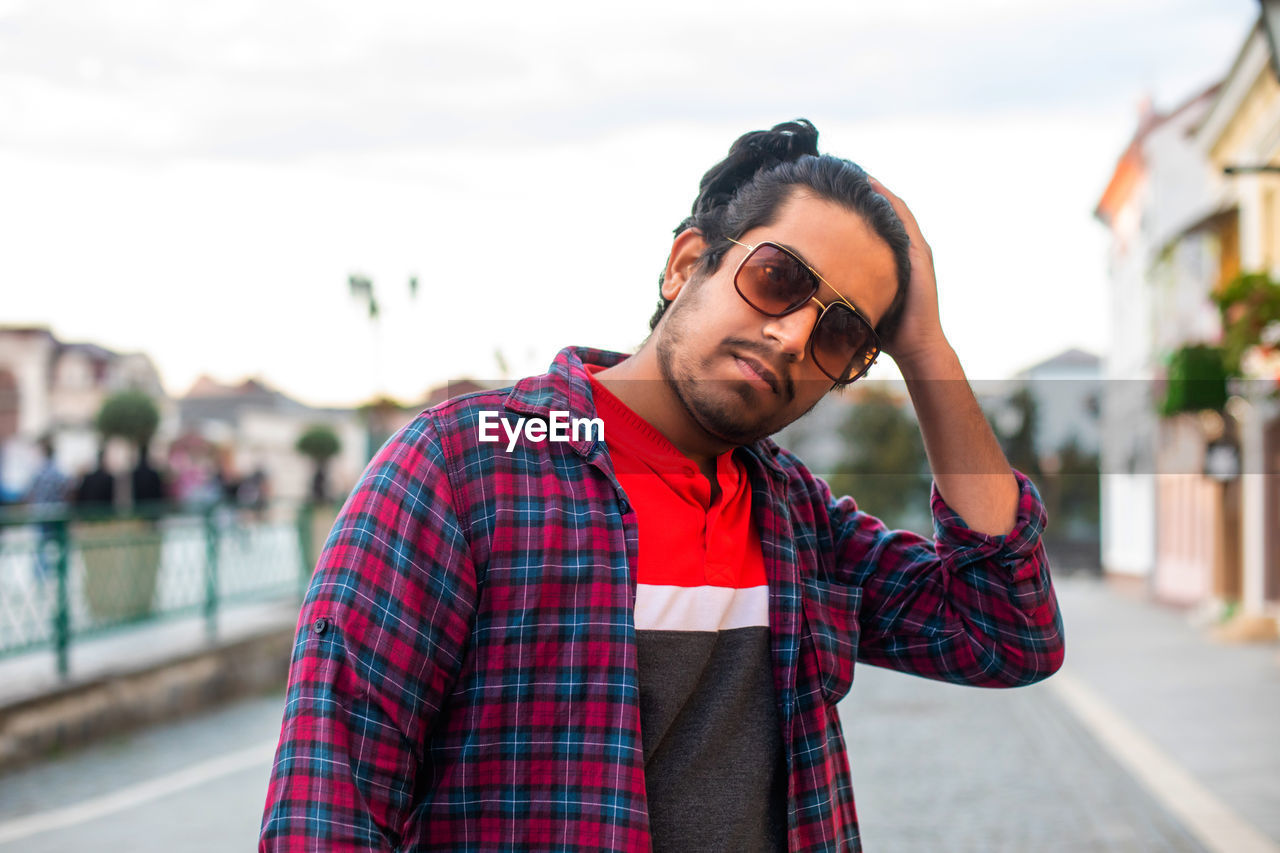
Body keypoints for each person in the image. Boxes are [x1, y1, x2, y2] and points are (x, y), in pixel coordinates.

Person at [260, 119, 1065, 852]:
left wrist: (924, 346)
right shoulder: (464, 469)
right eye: (778, 278)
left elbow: (1006, 629)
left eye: (842, 332)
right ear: (687, 264)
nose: (791, 335)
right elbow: (326, 809)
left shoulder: (795, 520)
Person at [23, 435, 70, 581]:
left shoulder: (38, 472)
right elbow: (68, 490)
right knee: (61, 546)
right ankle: (61, 576)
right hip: (57, 513)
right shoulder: (59, 471)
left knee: (40, 548)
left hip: (41, 514)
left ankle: (40, 577)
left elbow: (29, 493)